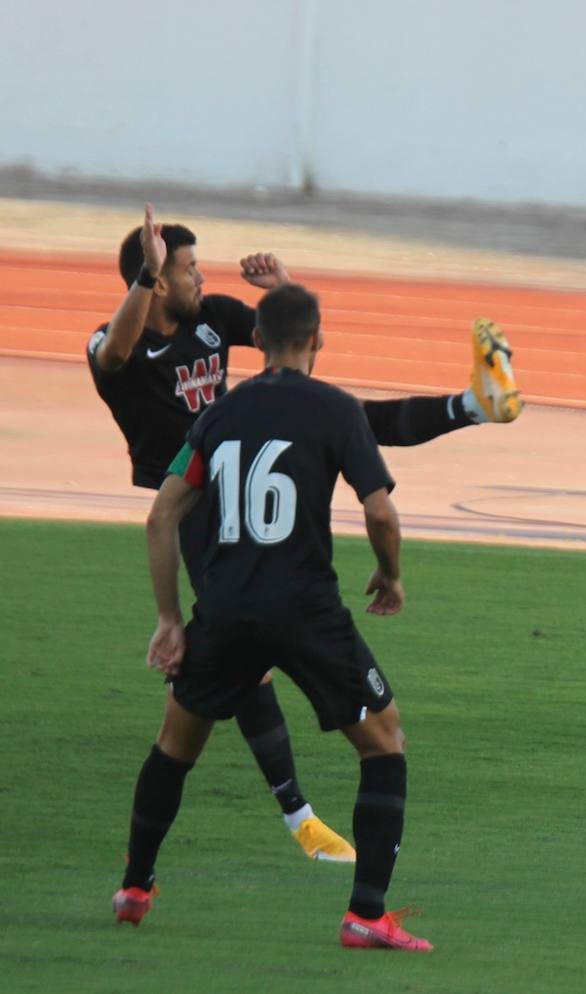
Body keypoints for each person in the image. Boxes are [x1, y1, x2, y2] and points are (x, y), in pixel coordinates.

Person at [88, 204, 520, 862]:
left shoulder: (209, 318)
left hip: (234, 484)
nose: (201, 277)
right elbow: (118, 353)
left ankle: (473, 404)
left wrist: (283, 285)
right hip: (197, 511)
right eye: (186, 270)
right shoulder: (112, 340)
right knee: (248, 670)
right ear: (152, 279)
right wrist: (146, 279)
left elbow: (290, 345)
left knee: (348, 417)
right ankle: (299, 817)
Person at [113, 283, 431, 950]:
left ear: (255, 340)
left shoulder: (219, 414)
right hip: (306, 611)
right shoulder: (337, 410)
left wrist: (170, 618)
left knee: (175, 747)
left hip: (225, 610)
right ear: (318, 339)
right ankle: (366, 915)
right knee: (385, 743)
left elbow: (161, 515)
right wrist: (390, 572)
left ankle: (135, 887)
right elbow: (379, 510)